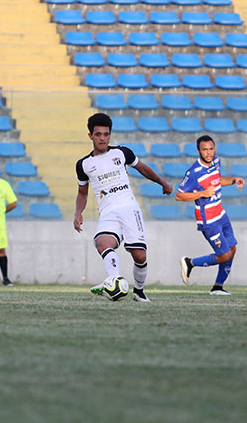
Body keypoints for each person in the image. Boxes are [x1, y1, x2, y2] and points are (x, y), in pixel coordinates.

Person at [74, 113, 173, 302]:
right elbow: (82, 192)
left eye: (106, 134)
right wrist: (78, 213)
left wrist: (162, 182)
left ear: (110, 135)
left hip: (129, 208)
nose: (102, 138)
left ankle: (139, 291)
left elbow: (142, 168)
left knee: (140, 256)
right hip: (108, 212)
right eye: (98, 134)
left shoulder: (122, 152)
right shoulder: (83, 164)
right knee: (102, 243)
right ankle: (114, 281)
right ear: (90, 136)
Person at [176, 135, 245, 296]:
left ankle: (217, 287)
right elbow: (179, 195)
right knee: (224, 255)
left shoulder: (216, 162)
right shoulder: (193, 172)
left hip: (221, 214)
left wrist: (234, 180)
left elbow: (217, 180)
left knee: (232, 249)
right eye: (205, 150)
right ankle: (190, 262)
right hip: (208, 220)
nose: (209, 153)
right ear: (199, 151)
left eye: (211, 149)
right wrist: (202, 193)